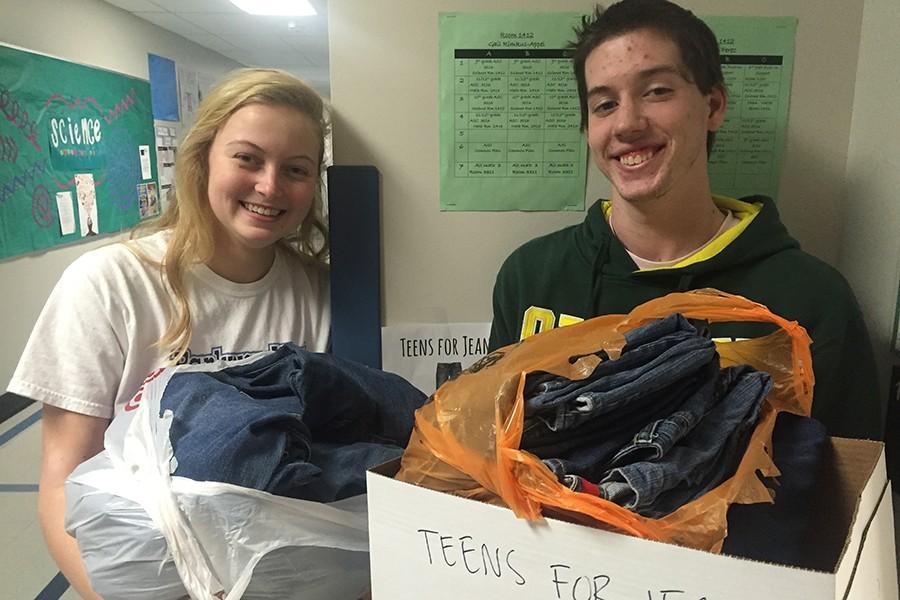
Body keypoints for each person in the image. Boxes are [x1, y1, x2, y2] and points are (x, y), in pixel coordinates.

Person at [488, 0, 883, 441]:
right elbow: (498, 445)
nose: (627, 123)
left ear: (713, 105)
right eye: (604, 104)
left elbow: (849, 487)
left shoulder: (812, 299)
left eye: (656, 91)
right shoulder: (530, 278)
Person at [7, 68, 331, 599]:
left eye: (295, 169)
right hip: (144, 574)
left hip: (282, 575)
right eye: (247, 158)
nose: (269, 185)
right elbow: (62, 484)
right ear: (202, 157)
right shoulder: (110, 284)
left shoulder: (322, 294)